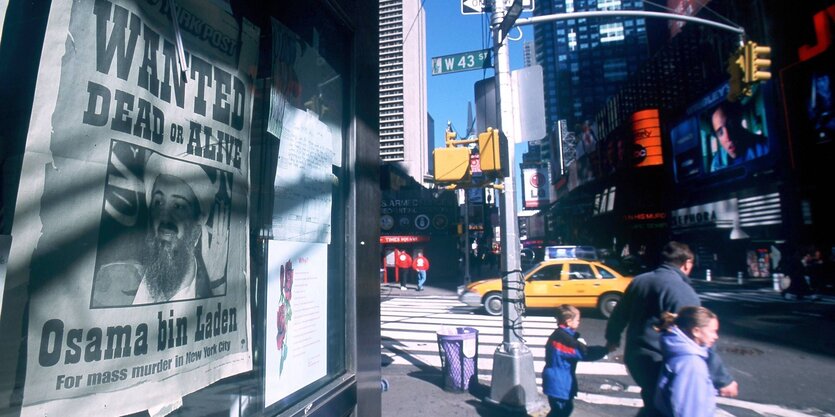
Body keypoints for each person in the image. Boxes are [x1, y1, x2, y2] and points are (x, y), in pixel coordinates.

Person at [605, 241, 738, 417]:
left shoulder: (640, 281)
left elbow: (619, 314)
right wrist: (722, 379)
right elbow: (700, 334)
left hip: (635, 357)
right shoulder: (681, 290)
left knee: (653, 403)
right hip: (659, 361)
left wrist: (612, 337)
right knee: (664, 408)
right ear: (687, 263)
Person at [93, 154, 226, 306]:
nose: (165, 218)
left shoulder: (212, 288)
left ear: (199, 219)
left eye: (178, 206)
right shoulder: (111, 279)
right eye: (158, 203)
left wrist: (217, 285)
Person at [542, 305, 608, 417]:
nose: (579, 322)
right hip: (559, 382)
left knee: (561, 410)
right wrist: (606, 349)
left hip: (556, 379)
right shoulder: (564, 339)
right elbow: (585, 353)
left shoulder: (559, 335)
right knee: (561, 411)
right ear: (568, 321)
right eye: (577, 319)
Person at [654, 306, 721, 417]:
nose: (716, 336)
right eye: (712, 331)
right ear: (696, 331)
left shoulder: (679, 354)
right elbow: (690, 410)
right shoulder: (691, 365)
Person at [709, 102, 768, 172]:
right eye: (720, 132)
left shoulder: (765, 147)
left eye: (731, 125)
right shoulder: (716, 164)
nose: (728, 137)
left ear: (739, 121)